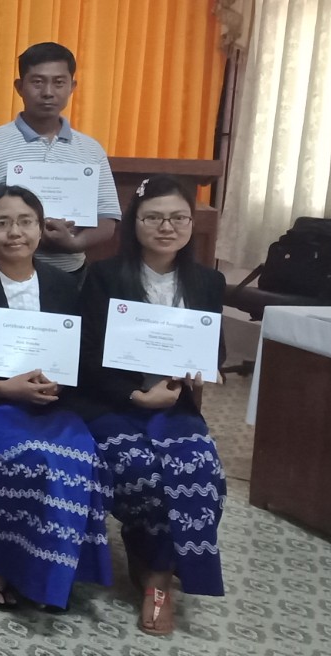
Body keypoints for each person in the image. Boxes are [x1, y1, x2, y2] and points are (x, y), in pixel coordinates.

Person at [0, 184, 111, 612]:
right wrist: (4, 387)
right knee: (29, 456)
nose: (14, 232)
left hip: (50, 404)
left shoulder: (62, 282)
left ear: (40, 228)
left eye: (25, 221)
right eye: (1, 223)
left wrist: (57, 385)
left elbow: (76, 354)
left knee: (79, 454)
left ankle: (57, 568)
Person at [78, 175, 226, 636]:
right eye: (153, 217)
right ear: (133, 222)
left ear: (191, 223)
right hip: (115, 403)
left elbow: (215, 351)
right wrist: (136, 396)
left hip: (175, 407)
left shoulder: (208, 281)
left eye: (178, 217)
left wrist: (197, 372)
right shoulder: (102, 276)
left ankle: (157, 573)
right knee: (139, 470)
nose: (167, 227)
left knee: (201, 474)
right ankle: (153, 560)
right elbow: (84, 359)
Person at [0, 43, 120, 276]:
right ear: (20, 87)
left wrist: (74, 244)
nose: (48, 92)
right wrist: (22, 231)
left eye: (59, 82)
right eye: (38, 82)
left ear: (72, 87)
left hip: (70, 274)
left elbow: (107, 219)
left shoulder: (91, 151)